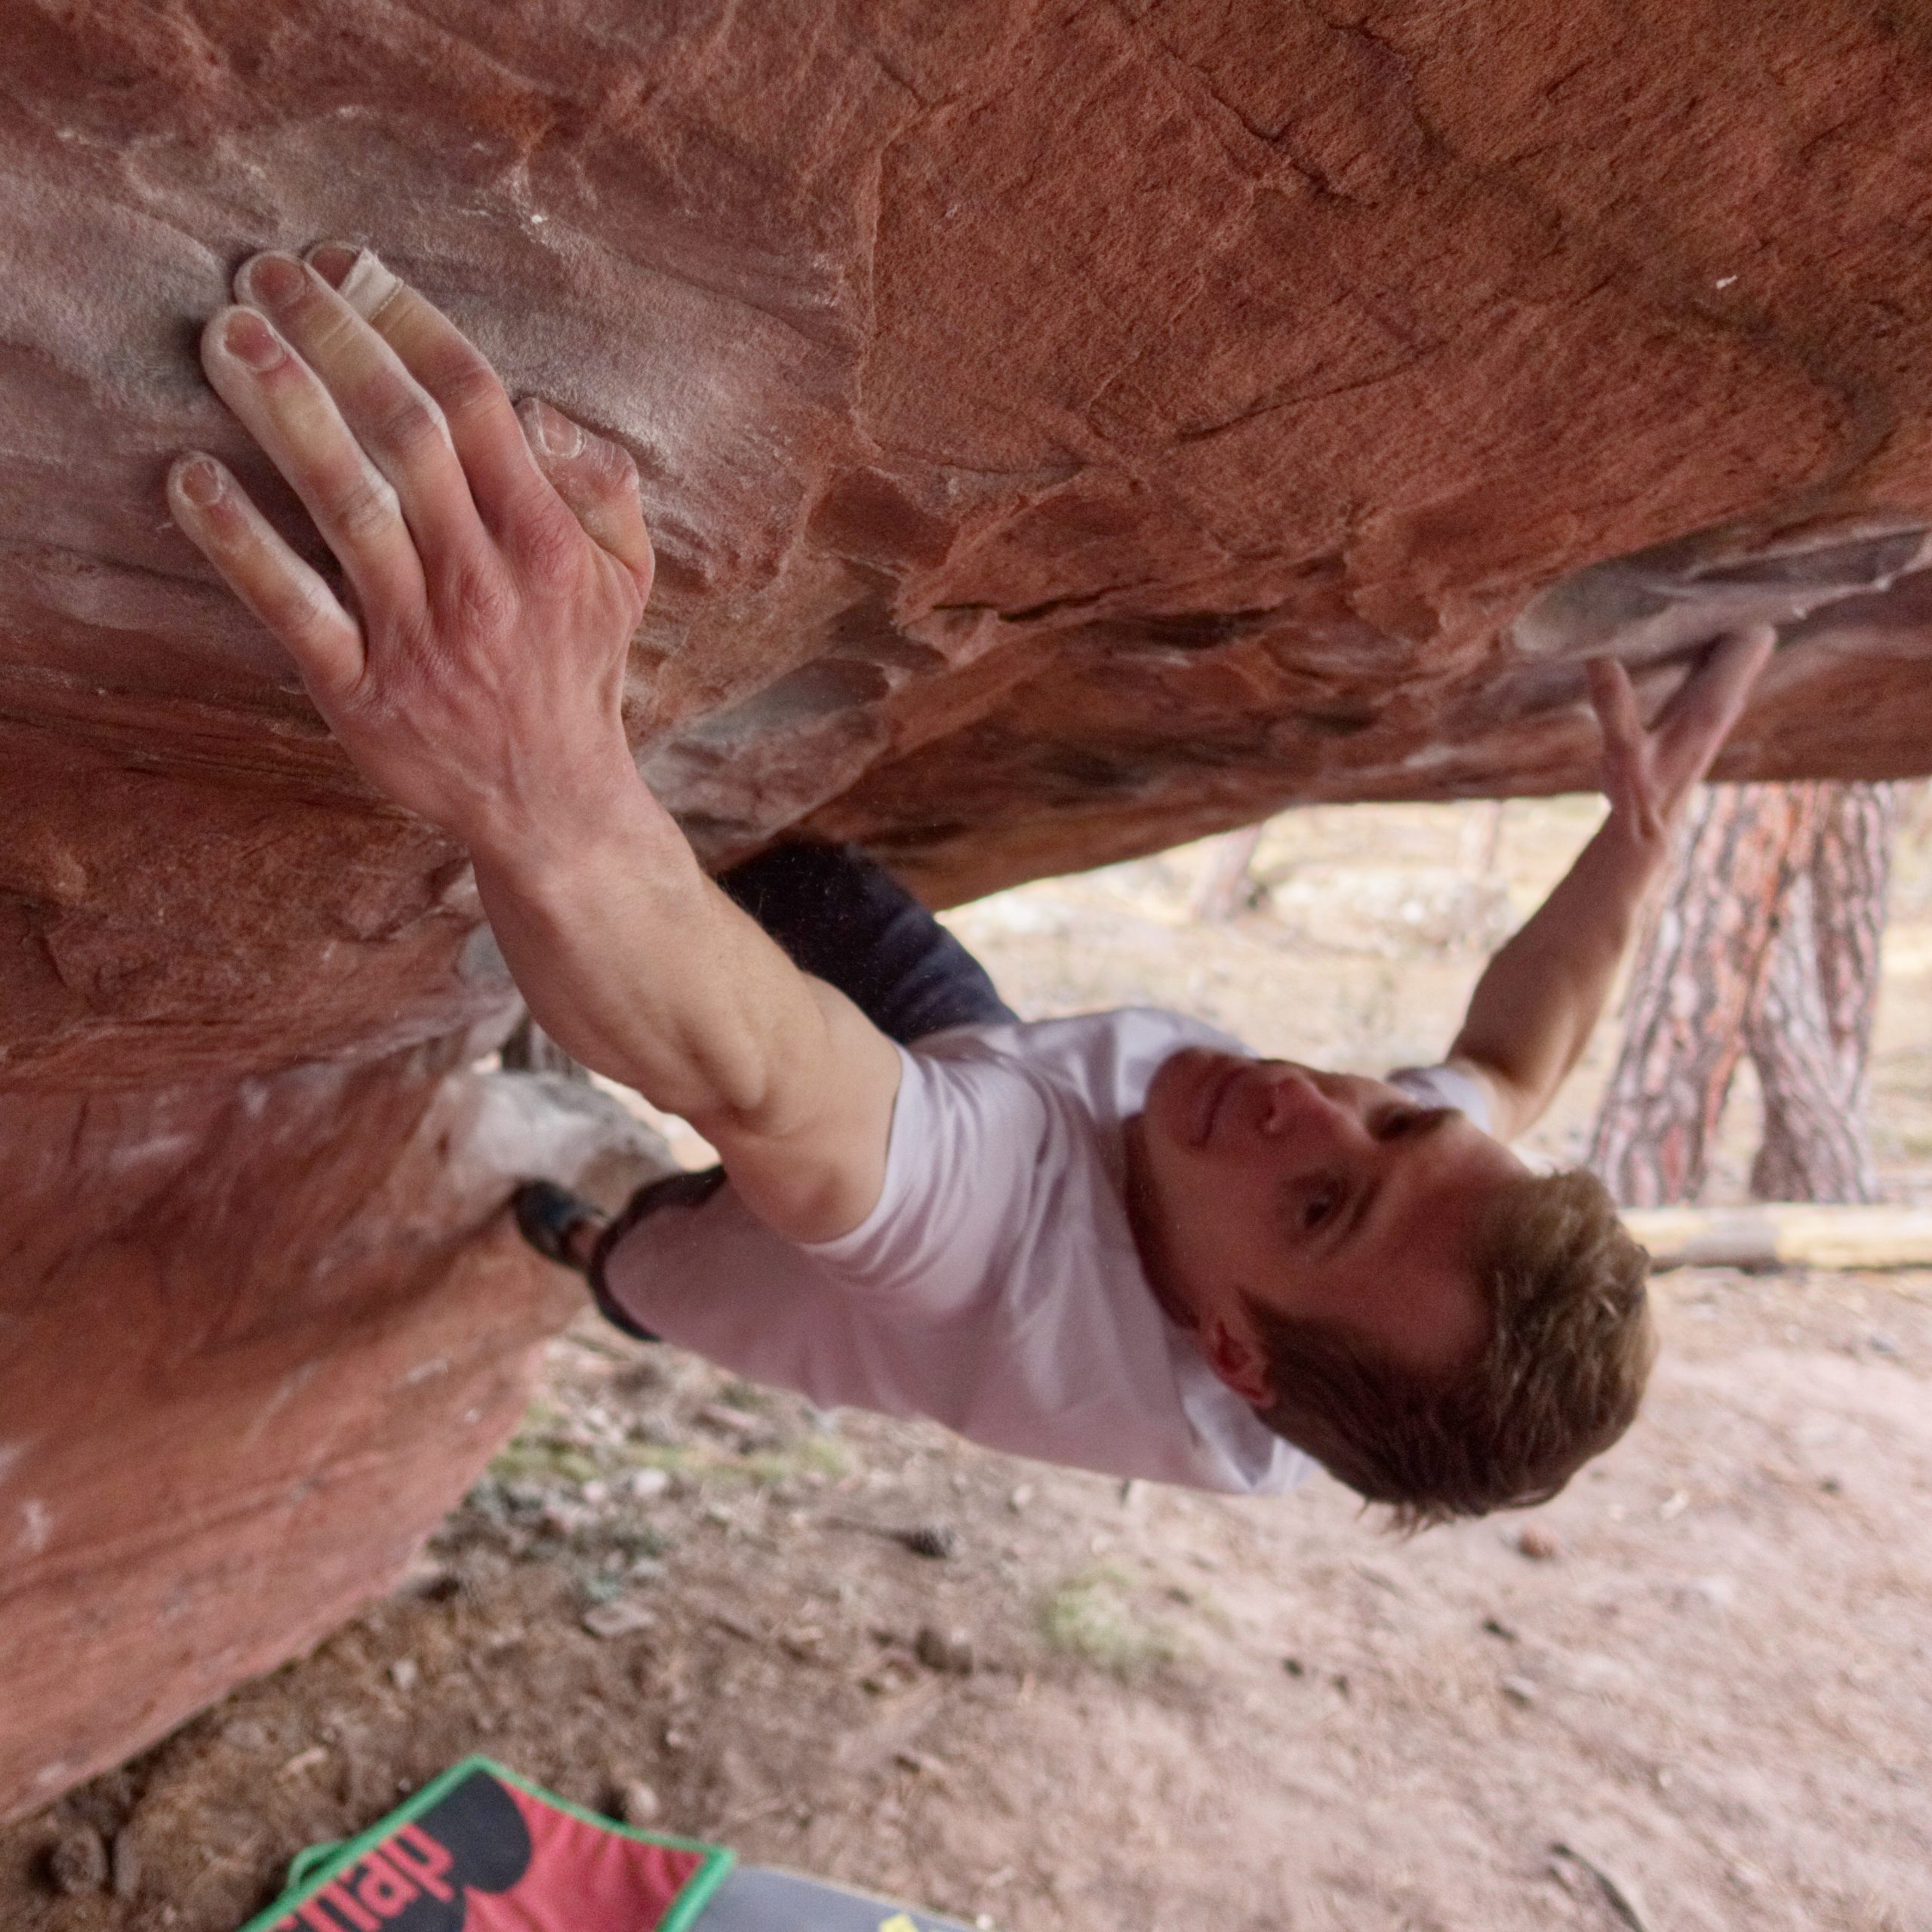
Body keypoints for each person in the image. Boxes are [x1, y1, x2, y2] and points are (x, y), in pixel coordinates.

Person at [168, 244, 1774, 1527]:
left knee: (661, 1241)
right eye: (1394, 1121)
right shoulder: (1383, 1261)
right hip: (1010, 1095)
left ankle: (577, 1237)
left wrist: (533, 772)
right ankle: (632, 925)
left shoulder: (985, 1243)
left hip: (804, 1268)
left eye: (1318, 1198)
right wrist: (1631, 850)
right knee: (821, 901)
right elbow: (1516, 1053)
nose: (1311, 1100)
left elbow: (755, 1067)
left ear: (1227, 1350)